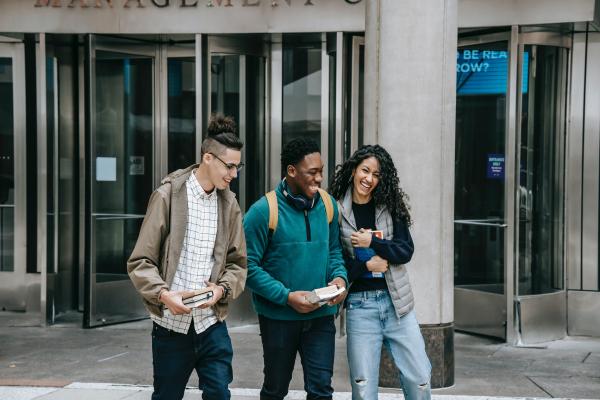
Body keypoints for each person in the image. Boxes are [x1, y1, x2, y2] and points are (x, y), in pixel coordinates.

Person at [127, 114, 247, 400]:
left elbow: (238, 263)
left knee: (219, 393)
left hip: (211, 324)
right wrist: (164, 295)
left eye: (237, 166)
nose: (234, 174)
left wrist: (221, 289)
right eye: (229, 166)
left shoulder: (228, 204)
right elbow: (140, 261)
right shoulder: (168, 196)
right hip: (171, 328)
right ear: (208, 158)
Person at [243, 137, 348, 400]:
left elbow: (334, 251)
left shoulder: (328, 205)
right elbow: (247, 267)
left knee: (321, 390)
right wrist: (286, 297)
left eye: (321, 171)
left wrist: (339, 277)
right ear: (291, 171)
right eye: (312, 172)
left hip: (321, 317)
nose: (320, 178)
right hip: (279, 319)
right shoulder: (262, 211)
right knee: (275, 389)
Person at [329, 145, 432, 400]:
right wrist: (366, 265)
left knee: (420, 379)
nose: (369, 179)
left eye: (376, 175)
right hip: (360, 308)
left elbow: (405, 250)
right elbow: (336, 265)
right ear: (353, 170)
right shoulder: (337, 212)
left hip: (397, 304)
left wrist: (372, 243)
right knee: (363, 388)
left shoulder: (389, 205)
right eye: (365, 171)